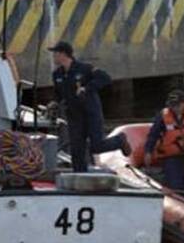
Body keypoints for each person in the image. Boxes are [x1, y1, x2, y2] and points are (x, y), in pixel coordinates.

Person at [48, 41, 131, 172]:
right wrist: (54, 102)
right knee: (77, 150)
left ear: (63, 54)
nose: (53, 57)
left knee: (96, 146)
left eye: (55, 53)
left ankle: (119, 140)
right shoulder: (57, 74)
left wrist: (87, 88)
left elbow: (105, 78)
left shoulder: (84, 68)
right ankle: (79, 176)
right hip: (74, 116)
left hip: (91, 112)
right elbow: (59, 94)